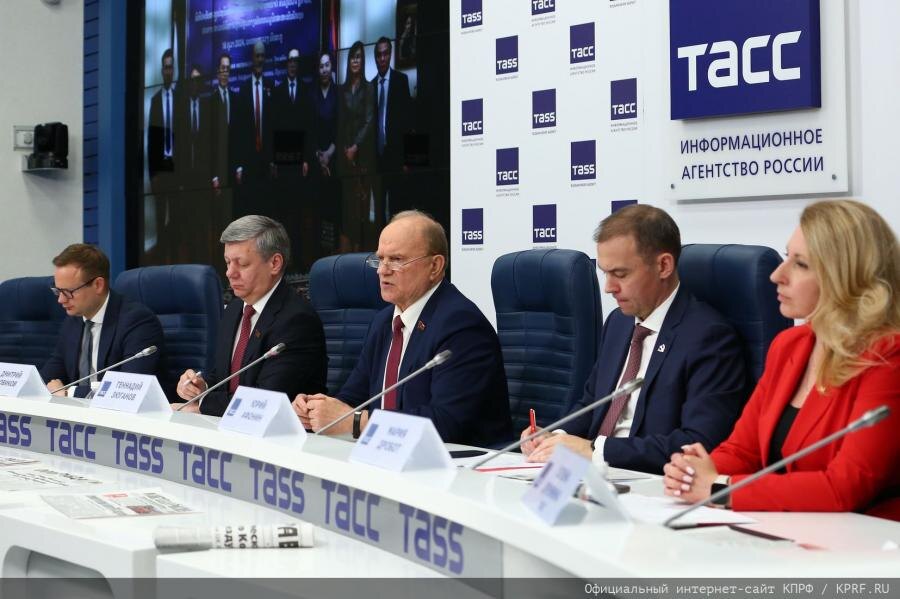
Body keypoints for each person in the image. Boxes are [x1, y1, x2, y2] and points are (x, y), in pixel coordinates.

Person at [664, 200, 900, 520]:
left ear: (847, 277)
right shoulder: (790, 345)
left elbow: (845, 488)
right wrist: (695, 472)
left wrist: (721, 489)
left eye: (800, 264)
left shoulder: (888, 355)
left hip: (867, 537)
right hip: (790, 527)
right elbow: (742, 450)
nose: (777, 275)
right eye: (786, 256)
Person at [520, 205, 750, 473]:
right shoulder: (618, 323)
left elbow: (697, 443)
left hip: (650, 480)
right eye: (605, 273)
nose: (609, 287)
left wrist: (596, 451)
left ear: (664, 266)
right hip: (592, 475)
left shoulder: (708, 336)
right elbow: (592, 404)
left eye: (620, 274)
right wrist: (555, 437)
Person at [292, 210, 512, 446]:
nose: (382, 270)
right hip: (390, 453)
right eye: (380, 259)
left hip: (458, 461)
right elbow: (354, 398)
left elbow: (445, 423)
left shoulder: (461, 325)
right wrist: (317, 408)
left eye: (396, 260)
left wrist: (357, 423)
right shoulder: (383, 322)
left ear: (435, 266)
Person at [174, 215, 327, 416]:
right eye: (228, 262)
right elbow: (223, 377)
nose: (230, 273)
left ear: (274, 263)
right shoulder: (234, 310)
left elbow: (264, 400)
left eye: (242, 264)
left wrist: (203, 404)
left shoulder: (297, 320)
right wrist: (201, 386)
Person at [41, 244, 165, 398]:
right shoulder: (72, 322)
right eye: (58, 291)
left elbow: (128, 390)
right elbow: (49, 377)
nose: (61, 299)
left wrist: (68, 392)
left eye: (68, 292)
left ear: (98, 285)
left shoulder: (138, 322)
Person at [337, 40, 375, 252]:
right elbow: (340, 123)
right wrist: (345, 149)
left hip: (362, 157)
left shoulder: (369, 88)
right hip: (345, 159)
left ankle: (362, 255)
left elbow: (369, 121)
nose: (355, 61)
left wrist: (355, 147)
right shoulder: (342, 90)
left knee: (362, 210)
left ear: (363, 61)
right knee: (348, 211)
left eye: (358, 57)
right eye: (352, 57)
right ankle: (348, 256)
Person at [231, 41, 275, 219]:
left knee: (265, 210)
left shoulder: (271, 87)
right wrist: (239, 165)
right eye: (257, 56)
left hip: (266, 161)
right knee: (249, 210)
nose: (260, 59)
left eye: (262, 56)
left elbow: (274, 126)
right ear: (252, 58)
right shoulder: (242, 90)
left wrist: (273, 160)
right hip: (248, 162)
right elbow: (238, 132)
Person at [372, 36, 414, 219]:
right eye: (379, 55)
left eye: (385, 54)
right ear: (375, 57)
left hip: (397, 157)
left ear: (390, 55)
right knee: (379, 212)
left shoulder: (401, 81)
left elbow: (409, 122)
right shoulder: (370, 86)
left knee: (398, 210)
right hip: (376, 159)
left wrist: (409, 160)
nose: (382, 58)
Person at [308, 50, 339, 255]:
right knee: (316, 209)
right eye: (321, 66)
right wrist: (319, 155)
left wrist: (329, 153)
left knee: (333, 208)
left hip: (335, 158)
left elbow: (341, 126)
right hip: (316, 160)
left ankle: (333, 254)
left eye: (327, 65)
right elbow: (308, 127)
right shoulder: (311, 94)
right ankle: (318, 255)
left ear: (331, 67)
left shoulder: (338, 92)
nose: (324, 69)